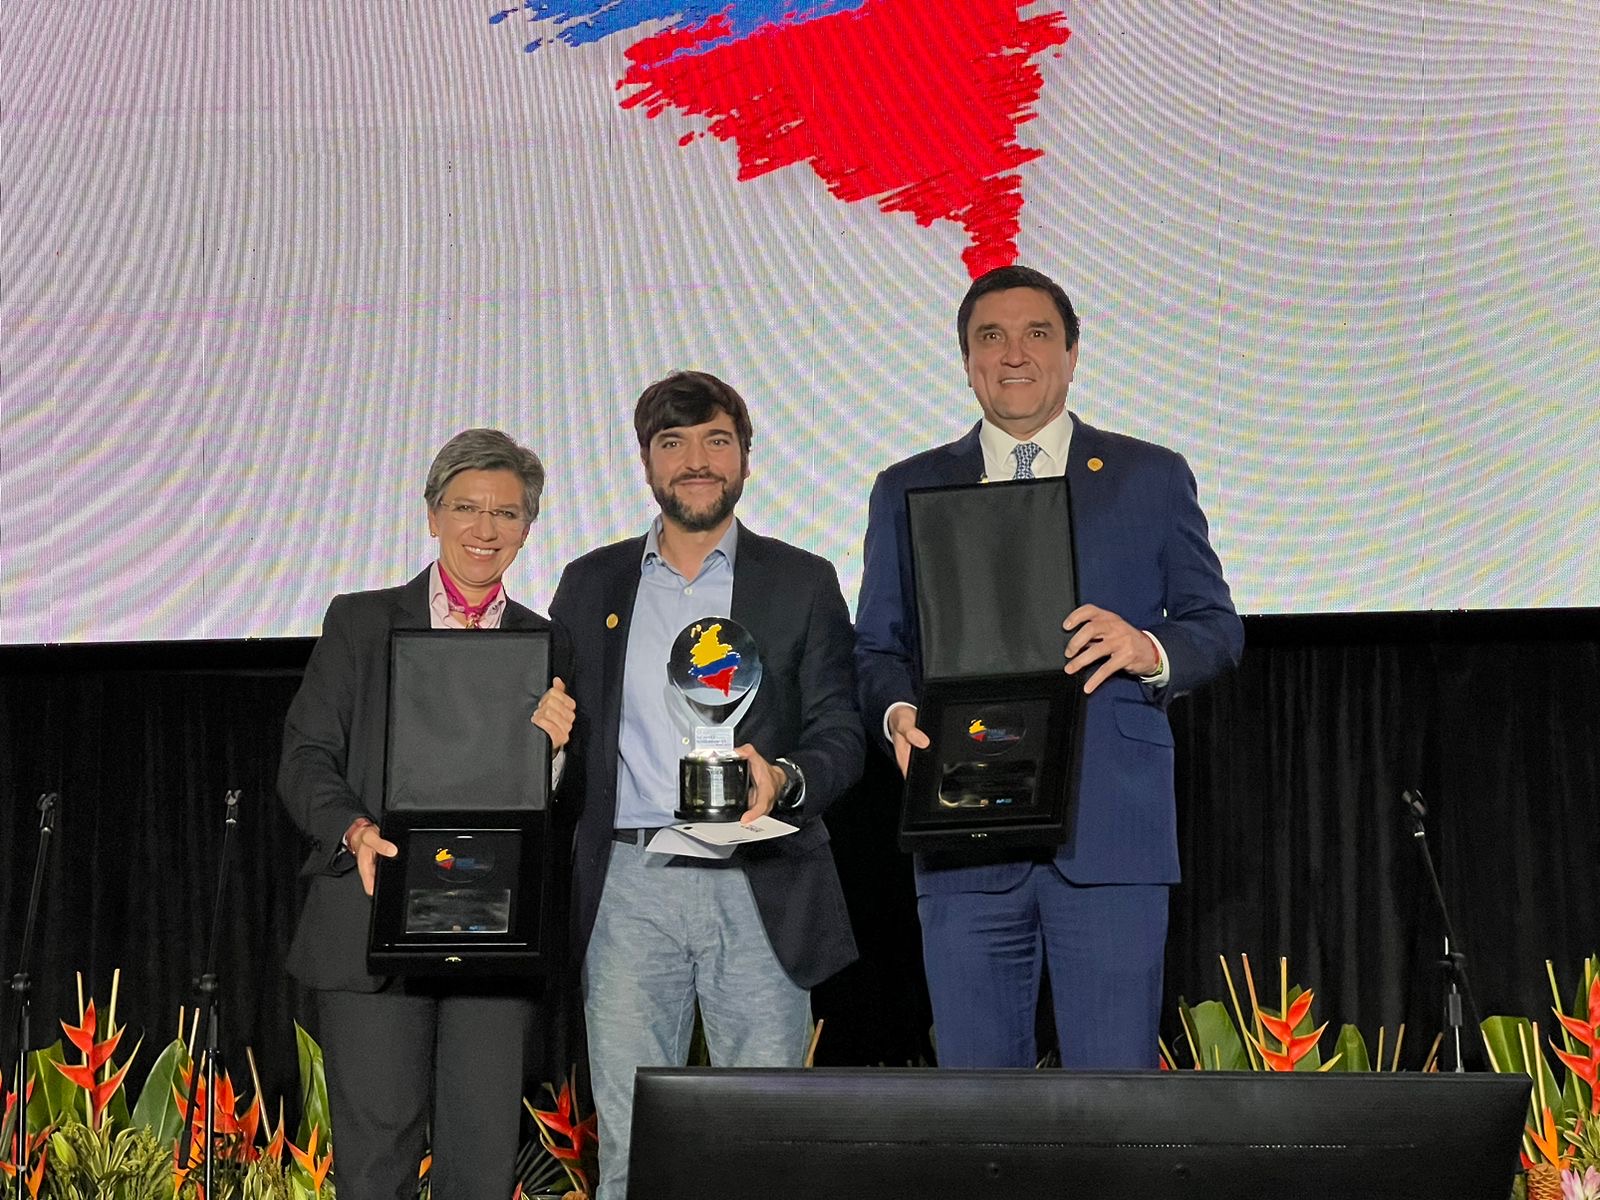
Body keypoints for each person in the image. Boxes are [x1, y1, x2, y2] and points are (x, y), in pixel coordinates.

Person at [854, 264, 1243, 1070]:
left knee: (1112, 1104)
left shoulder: (1151, 476)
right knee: (981, 1113)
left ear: (1072, 354)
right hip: (964, 833)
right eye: (989, 337)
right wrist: (897, 716)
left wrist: (1150, 648)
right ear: (966, 362)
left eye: (1037, 334)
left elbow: (1216, 626)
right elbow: (878, 649)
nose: (1014, 354)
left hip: (1112, 834)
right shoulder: (906, 488)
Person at [532, 370, 862, 1200]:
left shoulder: (801, 580)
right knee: (633, 1155)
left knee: (767, 1143)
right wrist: (547, 751)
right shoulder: (590, 583)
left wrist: (784, 777)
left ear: (746, 458)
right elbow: (562, 745)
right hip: (632, 884)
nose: (696, 461)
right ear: (647, 465)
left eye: (717, 440)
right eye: (672, 443)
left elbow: (839, 733)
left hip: (760, 881)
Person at [279, 428, 565, 1199]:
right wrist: (354, 829)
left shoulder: (546, 642)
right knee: (375, 1170)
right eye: (466, 508)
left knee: (479, 1167)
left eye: (506, 514)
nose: (485, 529)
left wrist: (559, 754)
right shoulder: (362, 622)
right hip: (372, 920)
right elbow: (305, 758)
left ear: (527, 528)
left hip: (493, 930)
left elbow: (558, 804)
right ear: (432, 514)